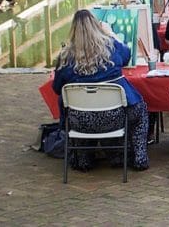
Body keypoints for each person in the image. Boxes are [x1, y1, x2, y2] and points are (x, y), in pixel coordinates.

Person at [51, 10, 151, 171]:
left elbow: (57, 89)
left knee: (75, 112)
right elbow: (127, 55)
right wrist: (110, 33)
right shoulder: (111, 47)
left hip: (80, 119)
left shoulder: (65, 57)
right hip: (115, 116)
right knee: (141, 113)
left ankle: (83, 159)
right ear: (97, 27)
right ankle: (139, 156)